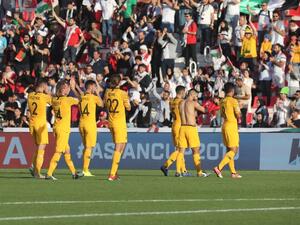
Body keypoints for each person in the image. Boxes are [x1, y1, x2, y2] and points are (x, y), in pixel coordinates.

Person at [46, 79, 81, 180]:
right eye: (67, 88)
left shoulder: (54, 100)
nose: (69, 89)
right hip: (63, 129)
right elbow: (80, 99)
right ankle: (49, 173)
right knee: (59, 151)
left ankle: (74, 173)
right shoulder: (67, 100)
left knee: (67, 151)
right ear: (63, 90)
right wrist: (74, 89)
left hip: (56, 127)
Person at [176, 89, 209, 177]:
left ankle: (178, 171)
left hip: (182, 127)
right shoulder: (193, 103)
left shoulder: (181, 103)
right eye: (196, 96)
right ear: (193, 95)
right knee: (196, 150)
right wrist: (210, 106)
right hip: (191, 128)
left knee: (181, 151)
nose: (197, 98)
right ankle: (199, 172)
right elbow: (204, 110)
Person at [104, 74, 131, 181]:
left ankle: (115, 171)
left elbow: (105, 104)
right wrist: (127, 98)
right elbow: (128, 108)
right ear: (119, 83)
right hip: (119, 123)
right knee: (119, 147)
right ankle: (112, 174)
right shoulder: (122, 93)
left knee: (123, 145)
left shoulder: (107, 92)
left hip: (111, 121)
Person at [214, 82, 242, 179]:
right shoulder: (233, 101)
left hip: (225, 125)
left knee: (229, 150)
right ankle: (219, 167)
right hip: (231, 126)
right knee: (234, 150)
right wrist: (240, 111)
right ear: (232, 91)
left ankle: (233, 173)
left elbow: (222, 114)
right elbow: (238, 115)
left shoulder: (222, 101)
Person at [161, 86, 190, 176]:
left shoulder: (172, 101)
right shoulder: (181, 102)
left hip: (174, 125)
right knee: (181, 149)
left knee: (179, 149)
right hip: (180, 126)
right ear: (182, 92)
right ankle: (166, 165)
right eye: (184, 92)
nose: (185, 94)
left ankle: (184, 170)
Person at [27, 78, 52, 178]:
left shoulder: (30, 95)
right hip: (41, 124)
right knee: (42, 147)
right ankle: (37, 173)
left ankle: (33, 166)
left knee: (38, 147)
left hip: (32, 123)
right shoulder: (44, 96)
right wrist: (48, 91)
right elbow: (52, 101)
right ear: (44, 86)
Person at [78, 80, 103, 176]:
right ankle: (85, 170)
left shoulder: (82, 97)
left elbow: (79, 95)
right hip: (90, 125)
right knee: (89, 147)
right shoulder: (93, 97)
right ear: (92, 86)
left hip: (81, 124)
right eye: (95, 87)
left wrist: (74, 87)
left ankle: (85, 169)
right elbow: (101, 104)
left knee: (86, 147)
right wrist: (97, 93)